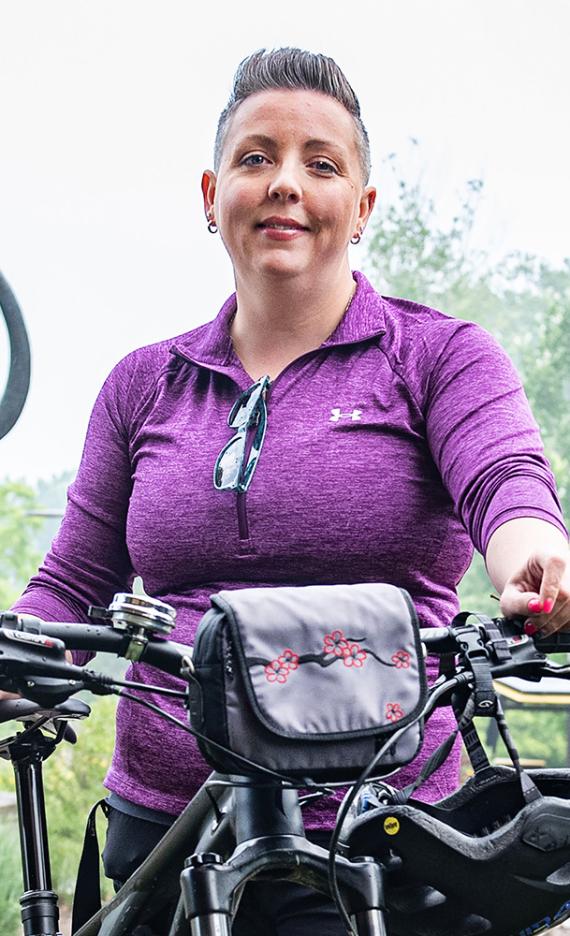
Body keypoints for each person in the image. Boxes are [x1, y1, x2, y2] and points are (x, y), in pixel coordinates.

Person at [6, 47, 570, 934]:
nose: (284, 184)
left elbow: (506, 482)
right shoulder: (142, 384)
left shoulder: (438, 358)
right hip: (166, 842)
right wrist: (18, 657)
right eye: (256, 158)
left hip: (381, 841)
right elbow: (75, 583)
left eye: (321, 164)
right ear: (210, 193)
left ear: (363, 207)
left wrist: (537, 558)